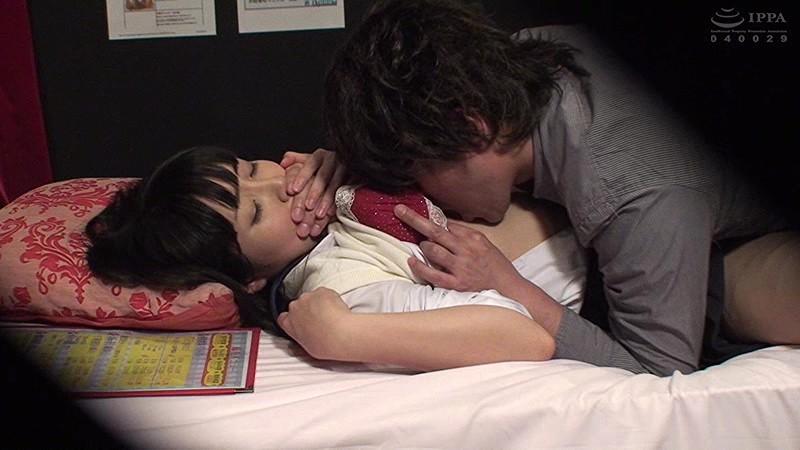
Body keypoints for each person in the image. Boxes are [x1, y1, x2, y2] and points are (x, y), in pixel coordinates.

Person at [288, 0, 800, 376]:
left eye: (414, 172)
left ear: (471, 128)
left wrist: (508, 284)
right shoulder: (524, 57)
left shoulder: (633, 197)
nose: (421, 193)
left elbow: (656, 377)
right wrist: (340, 161)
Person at [86, 145, 588, 371]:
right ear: (249, 277)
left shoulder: (332, 187)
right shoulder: (340, 283)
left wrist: (348, 156)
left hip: (572, 196)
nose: (279, 184)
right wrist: (347, 335)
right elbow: (524, 338)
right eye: (256, 212)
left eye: (252, 168)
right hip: (600, 274)